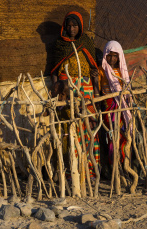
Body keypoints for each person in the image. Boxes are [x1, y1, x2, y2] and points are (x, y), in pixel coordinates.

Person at [50, 11, 100, 177]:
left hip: (86, 88)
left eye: (75, 26)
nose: (72, 29)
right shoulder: (59, 44)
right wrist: (56, 90)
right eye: (69, 26)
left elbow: (94, 67)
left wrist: (96, 88)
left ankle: (90, 170)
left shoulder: (86, 42)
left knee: (88, 126)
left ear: (80, 27)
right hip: (67, 88)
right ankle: (72, 171)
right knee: (70, 127)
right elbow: (54, 70)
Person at [99, 40, 133, 166]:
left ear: (119, 56)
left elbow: (126, 89)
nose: (112, 58)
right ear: (105, 55)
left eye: (115, 55)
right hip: (109, 107)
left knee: (124, 134)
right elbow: (98, 90)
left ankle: (125, 162)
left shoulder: (122, 72)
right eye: (109, 55)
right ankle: (115, 164)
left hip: (122, 107)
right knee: (113, 134)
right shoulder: (101, 71)